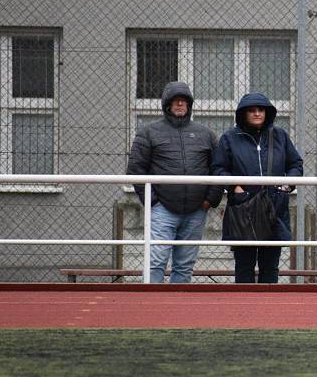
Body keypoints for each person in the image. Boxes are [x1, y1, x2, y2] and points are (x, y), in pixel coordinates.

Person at [126, 81, 223, 283]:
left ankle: (177, 308)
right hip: (162, 210)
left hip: (197, 210)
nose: (180, 105)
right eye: (175, 101)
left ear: (189, 105)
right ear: (167, 105)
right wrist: (153, 202)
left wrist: (209, 201)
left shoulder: (206, 134)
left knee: (185, 265)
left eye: (184, 101)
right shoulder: (149, 132)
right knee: (156, 261)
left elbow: (218, 169)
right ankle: (150, 306)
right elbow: (136, 169)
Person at [212, 92, 303, 283]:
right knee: (244, 267)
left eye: (261, 109)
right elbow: (218, 169)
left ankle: (269, 312)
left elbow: (295, 164)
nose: (257, 113)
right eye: (252, 110)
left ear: (267, 112)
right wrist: (235, 187)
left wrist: (288, 184)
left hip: (274, 208)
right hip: (243, 209)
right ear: (243, 113)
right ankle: (243, 311)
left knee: (270, 268)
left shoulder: (280, 136)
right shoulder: (230, 138)